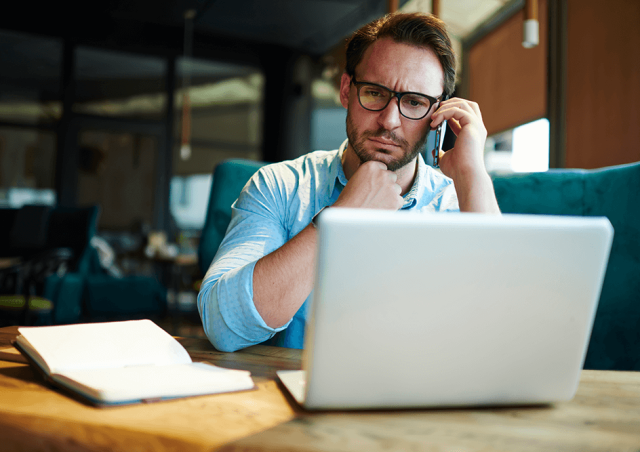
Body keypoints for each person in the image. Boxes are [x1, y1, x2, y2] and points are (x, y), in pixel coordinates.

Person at [198, 12, 501, 352]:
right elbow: (223, 326)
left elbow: (502, 337)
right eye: (374, 93)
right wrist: (338, 217)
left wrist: (473, 175)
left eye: (414, 102)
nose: (389, 120)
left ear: (438, 116)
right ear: (346, 90)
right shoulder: (280, 185)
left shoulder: (460, 204)